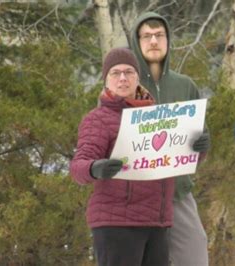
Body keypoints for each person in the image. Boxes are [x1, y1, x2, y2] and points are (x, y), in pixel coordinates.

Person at [70, 48, 174, 266]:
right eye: (115, 73)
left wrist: (196, 147)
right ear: (106, 80)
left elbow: (176, 159)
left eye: (129, 72)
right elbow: (78, 166)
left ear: (138, 77)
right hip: (116, 222)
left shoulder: (160, 118)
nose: (123, 78)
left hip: (156, 222)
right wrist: (94, 168)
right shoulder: (98, 119)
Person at [129, 12, 210, 266]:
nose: (154, 41)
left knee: (195, 255)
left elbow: (199, 136)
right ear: (136, 42)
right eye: (147, 36)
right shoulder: (125, 84)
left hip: (177, 192)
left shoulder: (185, 85)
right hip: (136, 195)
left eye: (159, 35)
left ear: (168, 40)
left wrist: (202, 145)